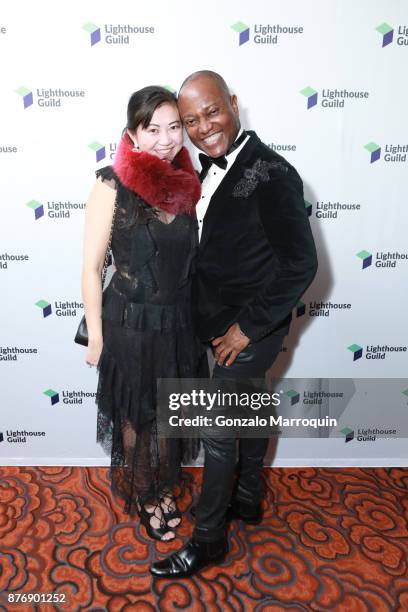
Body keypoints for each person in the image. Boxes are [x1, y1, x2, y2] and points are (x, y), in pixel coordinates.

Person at [150, 71, 318, 577]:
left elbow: (300, 263)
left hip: (248, 330)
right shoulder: (206, 169)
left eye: (213, 112)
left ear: (234, 103)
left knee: (221, 431)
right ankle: (247, 499)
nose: (204, 128)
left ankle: (208, 539)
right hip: (218, 321)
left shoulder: (271, 173)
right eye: (192, 120)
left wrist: (248, 328)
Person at [81, 86, 201, 542]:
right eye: (153, 129)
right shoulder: (111, 184)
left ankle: (165, 485)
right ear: (133, 132)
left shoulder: (191, 185)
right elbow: (92, 268)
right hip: (129, 323)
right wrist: (96, 336)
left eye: (175, 127)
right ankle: (148, 492)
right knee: (136, 414)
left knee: (170, 411)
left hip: (178, 323)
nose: (167, 140)